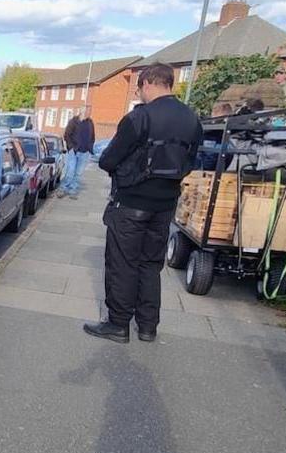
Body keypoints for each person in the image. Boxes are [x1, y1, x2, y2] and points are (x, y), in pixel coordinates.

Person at [85, 63, 202, 343]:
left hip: (131, 202)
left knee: (123, 263)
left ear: (148, 83)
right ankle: (148, 327)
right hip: (165, 205)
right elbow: (191, 161)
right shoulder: (192, 119)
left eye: (139, 87)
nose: (140, 93)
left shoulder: (140, 118)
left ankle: (118, 324)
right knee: (150, 264)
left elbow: (108, 159)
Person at [60, 107, 95, 199]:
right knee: (70, 171)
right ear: (81, 112)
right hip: (74, 151)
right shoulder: (73, 122)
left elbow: (92, 136)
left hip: (85, 152)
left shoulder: (90, 123)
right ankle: (63, 188)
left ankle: (73, 190)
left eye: (89, 112)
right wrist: (71, 147)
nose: (89, 114)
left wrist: (90, 147)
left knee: (78, 173)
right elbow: (67, 135)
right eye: (87, 112)